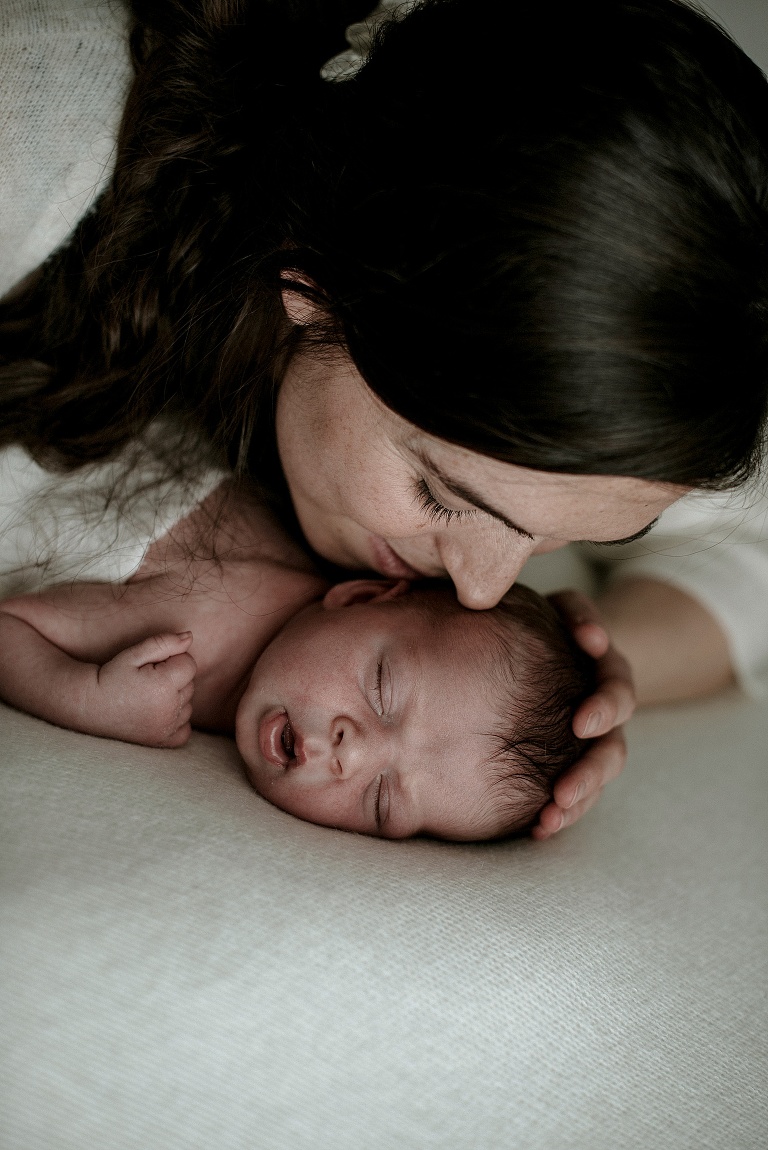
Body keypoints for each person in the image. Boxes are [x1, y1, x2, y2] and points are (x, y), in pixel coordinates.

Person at [2, 0, 768, 839]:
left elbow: (750, 564)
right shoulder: (38, 127)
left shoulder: (630, 351)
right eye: (441, 493)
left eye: (562, 538)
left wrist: (553, 688)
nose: (484, 588)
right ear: (314, 294)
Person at [0, 480, 595, 840]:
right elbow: (9, 620)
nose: (351, 752)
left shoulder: (280, 645)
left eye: (382, 800)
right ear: (359, 596)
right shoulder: (197, 626)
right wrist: (82, 695)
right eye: (382, 690)